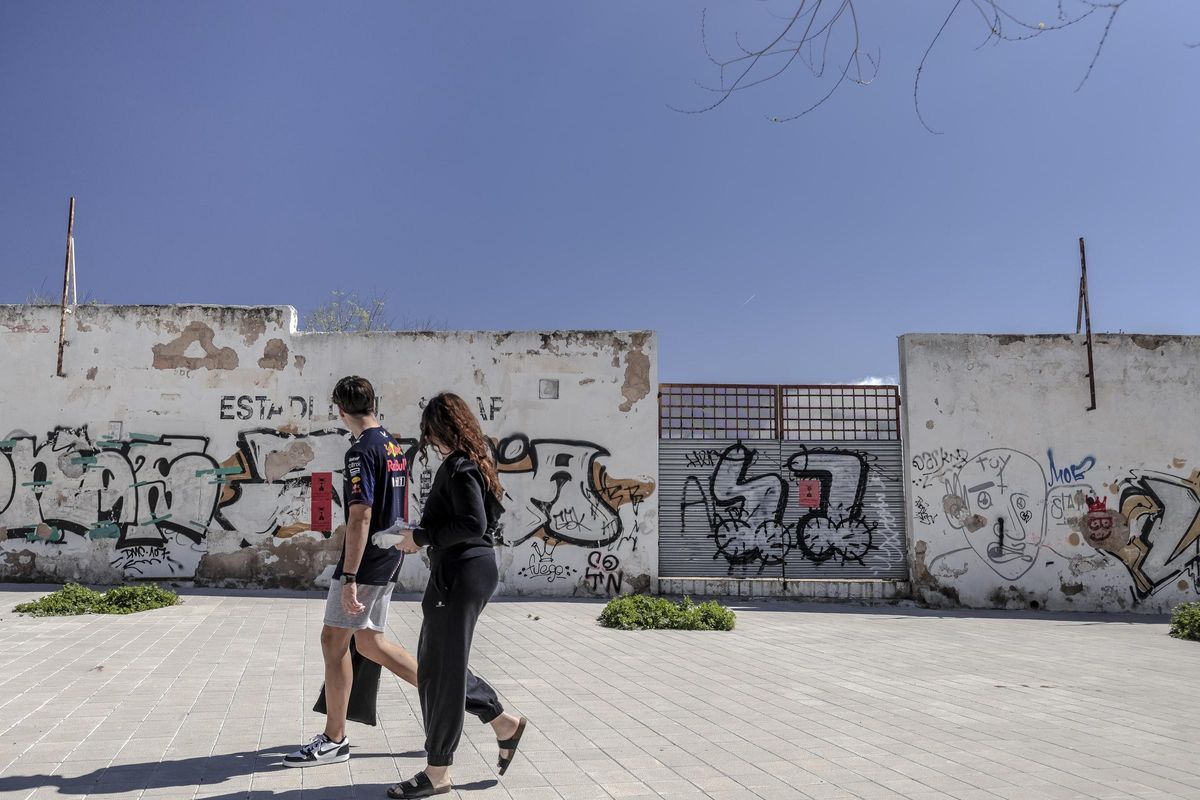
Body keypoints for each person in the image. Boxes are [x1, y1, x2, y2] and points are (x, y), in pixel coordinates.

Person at [384, 393, 527, 799]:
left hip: (462, 573)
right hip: (458, 572)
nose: (428, 441)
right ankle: (503, 723)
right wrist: (418, 536)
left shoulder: (462, 467)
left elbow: (471, 523)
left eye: (429, 432)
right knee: (433, 668)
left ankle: (438, 772)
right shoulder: (473, 464)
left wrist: (422, 537)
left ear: (442, 429)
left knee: (441, 673)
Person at [284, 376, 419, 768]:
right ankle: (449, 700)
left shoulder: (360, 451)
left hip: (369, 558)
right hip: (389, 551)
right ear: (373, 404)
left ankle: (334, 737)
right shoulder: (394, 445)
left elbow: (360, 517)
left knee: (333, 640)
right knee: (370, 644)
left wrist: (349, 577)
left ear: (340, 410)